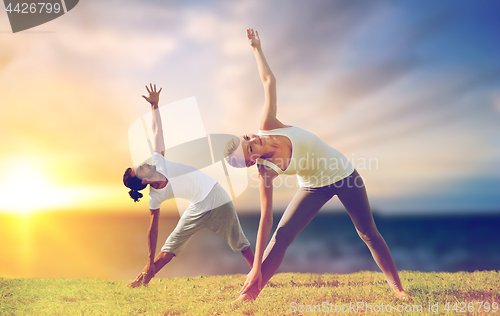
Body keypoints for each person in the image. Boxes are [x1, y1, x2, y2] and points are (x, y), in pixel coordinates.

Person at [225, 28, 409, 302]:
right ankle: (250, 294)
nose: (252, 139)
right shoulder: (266, 171)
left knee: (368, 232)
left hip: (345, 174)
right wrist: (254, 268)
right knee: (282, 235)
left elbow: (268, 81)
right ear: (252, 161)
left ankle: (398, 289)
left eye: (246, 138)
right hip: (314, 187)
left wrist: (256, 48)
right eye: (249, 147)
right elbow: (266, 219)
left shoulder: (268, 125)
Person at [123, 84, 254, 287]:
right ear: (144, 181)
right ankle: (141, 281)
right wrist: (149, 261)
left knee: (241, 243)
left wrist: (154, 106)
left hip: (215, 195)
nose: (143, 163)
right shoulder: (154, 197)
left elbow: (157, 130)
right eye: (139, 168)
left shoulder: (158, 160)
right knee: (169, 249)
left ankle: (258, 276)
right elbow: (153, 229)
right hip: (196, 207)